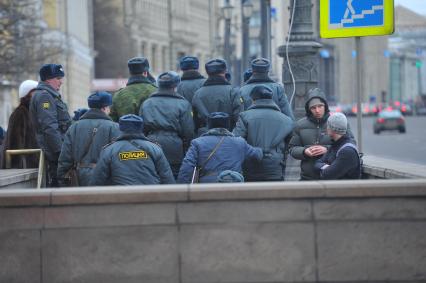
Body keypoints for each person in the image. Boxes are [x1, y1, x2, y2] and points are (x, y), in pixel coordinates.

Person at [177, 112, 262, 183]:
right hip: (234, 185)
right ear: (227, 126)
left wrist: (181, 191)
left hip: (207, 187)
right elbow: (257, 155)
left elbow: (186, 168)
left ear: (209, 126)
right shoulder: (240, 142)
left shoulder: (197, 143)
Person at [90, 114, 175, 186]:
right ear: (141, 127)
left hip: (121, 199)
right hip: (150, 198)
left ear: (121, 128)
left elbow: (97, 181)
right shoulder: (155, 148)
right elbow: (167, 178)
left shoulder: (109, 150)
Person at [288, 88, 354, 180]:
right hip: (307, 179)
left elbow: (351, 144)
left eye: (320, 106)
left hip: (332, 178)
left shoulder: (338, 121)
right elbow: (292, 149)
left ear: (325, 106)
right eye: (313, 108)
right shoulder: (300, 125)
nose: (317, 110)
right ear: (308, 109)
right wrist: (304, 152)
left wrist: (327, 150)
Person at [57, 91, 120, 186]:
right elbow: (117, 157)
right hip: (105, 178)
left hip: (78, 177)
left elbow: (65, 157)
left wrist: (62, 179)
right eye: (109, 107)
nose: (109, 111)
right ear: (104, 108)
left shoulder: (74, 127)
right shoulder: (114, 127)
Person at [233, 85, 294, 181]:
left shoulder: (244, 116)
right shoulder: (286, 120)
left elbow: (237, 140)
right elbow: (290, 143)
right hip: (276, 166)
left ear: (253, 99)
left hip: (251, 165)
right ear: (271, 98)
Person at [140, 71, 194, 178]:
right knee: (173, 177)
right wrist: (185, 149)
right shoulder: (183, 104)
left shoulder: (147, 103)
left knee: (153, 176)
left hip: (151, 144)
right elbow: (188, 132)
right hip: (175, 147)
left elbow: (141, 129)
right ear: (175, 86)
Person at [30, 64, 71, 187]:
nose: (61, 82)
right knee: (59, 185)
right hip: (55, 152)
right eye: (58, 78)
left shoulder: (49, 95)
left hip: (57, 149)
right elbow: (49, 127)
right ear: (48, 79)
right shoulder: (45, 96)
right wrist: (60, 151)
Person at [192, 59, 243, 136]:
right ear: (225, 71)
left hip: (205, 138)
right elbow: (239, 118)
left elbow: (194, 119)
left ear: (207, 73)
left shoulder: (198, 93)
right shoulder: (233, 91)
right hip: (228, 136)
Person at [1, 80, 39, 169]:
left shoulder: (33, 112)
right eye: (35, 92)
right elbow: (14, 145)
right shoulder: (20, 113)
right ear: (27, 94)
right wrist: (17, 170)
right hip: (25, 170)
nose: (39, 95)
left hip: (34, 167)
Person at [314, 113, 361, 179]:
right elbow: (317, 164)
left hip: (346, 189)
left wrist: (325, 167)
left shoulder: (347, 151)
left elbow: (327, 175)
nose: (327, 128)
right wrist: (327, 167)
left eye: (328, 126)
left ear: (332, 128)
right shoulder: (335, 144)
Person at [110, 57, 157, 121]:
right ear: (145, 73)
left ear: (130, 73)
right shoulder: (155, 91)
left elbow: (113, 121)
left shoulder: (118, 95)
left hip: (126, 130)